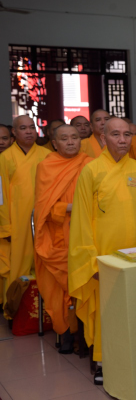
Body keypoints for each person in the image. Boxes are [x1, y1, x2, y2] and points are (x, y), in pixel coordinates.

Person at [68, 117, 136, 384]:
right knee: (107, 309)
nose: (122, 140)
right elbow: (80, 220)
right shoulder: (91, 171)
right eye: (115, 134)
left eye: (127, 135)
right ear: (103, 138)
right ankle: (103, 360)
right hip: (104, 257)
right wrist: (90, 260)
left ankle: (135, 358)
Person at [33, 124, 92, 353]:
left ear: (81, 140)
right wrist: (70, 207)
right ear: (54, 143)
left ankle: (87, 335)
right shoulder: (46, 166)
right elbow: (42, 207)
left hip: (85, 233)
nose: (70, 142)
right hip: (57, 232)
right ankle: (66, 332)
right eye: (64, 138)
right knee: (59, 287)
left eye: (74, 137)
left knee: (86, 282)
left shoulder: (89, 163)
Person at [0, 115, 51, 316]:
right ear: (14, 132)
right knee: (17, 266)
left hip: (44, 218)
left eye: (32, 127)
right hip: (17, 221)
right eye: (23, 128)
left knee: (44, 264)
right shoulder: (4, 158)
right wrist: (5, 226)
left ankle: (45, 313)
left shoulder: (47, 154)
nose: (29, 131)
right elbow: (1, 197)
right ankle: (15, 312)